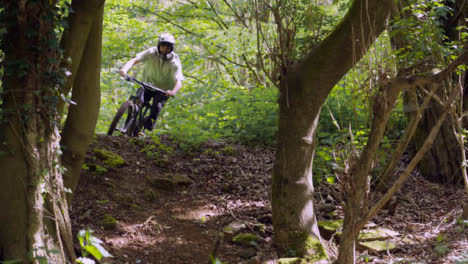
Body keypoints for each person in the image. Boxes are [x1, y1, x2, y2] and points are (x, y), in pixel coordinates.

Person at [119, 33, 184, 132]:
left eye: (168, 48)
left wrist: (173, 91)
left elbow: (179, 80)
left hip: (162, 90)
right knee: (138, 102)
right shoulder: (151, 52)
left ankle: (145, 130)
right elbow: (135, 60)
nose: (165, 49)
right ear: (159, 45)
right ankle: (127, 125)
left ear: (171, 48)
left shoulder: (174, 61)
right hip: (147, 84)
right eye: (163, 46)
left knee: (156, 107)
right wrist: (124, 70)